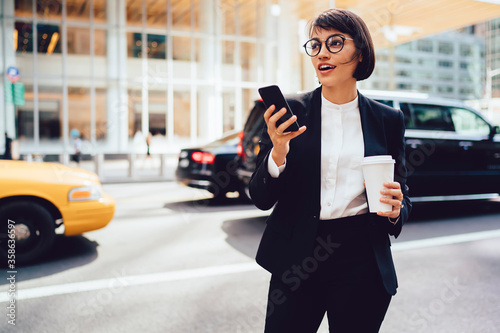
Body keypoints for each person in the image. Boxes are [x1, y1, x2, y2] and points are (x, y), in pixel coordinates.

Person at [249, 9, 411, 333]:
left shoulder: (387, 119)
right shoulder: (293, 110)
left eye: (335, 43)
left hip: (361, 258)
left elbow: (403, 192)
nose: (322, 52)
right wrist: (278, 150)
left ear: (360, 52)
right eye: (315, 44)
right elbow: (260, 196)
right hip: (297, 256)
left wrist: (396, 209)